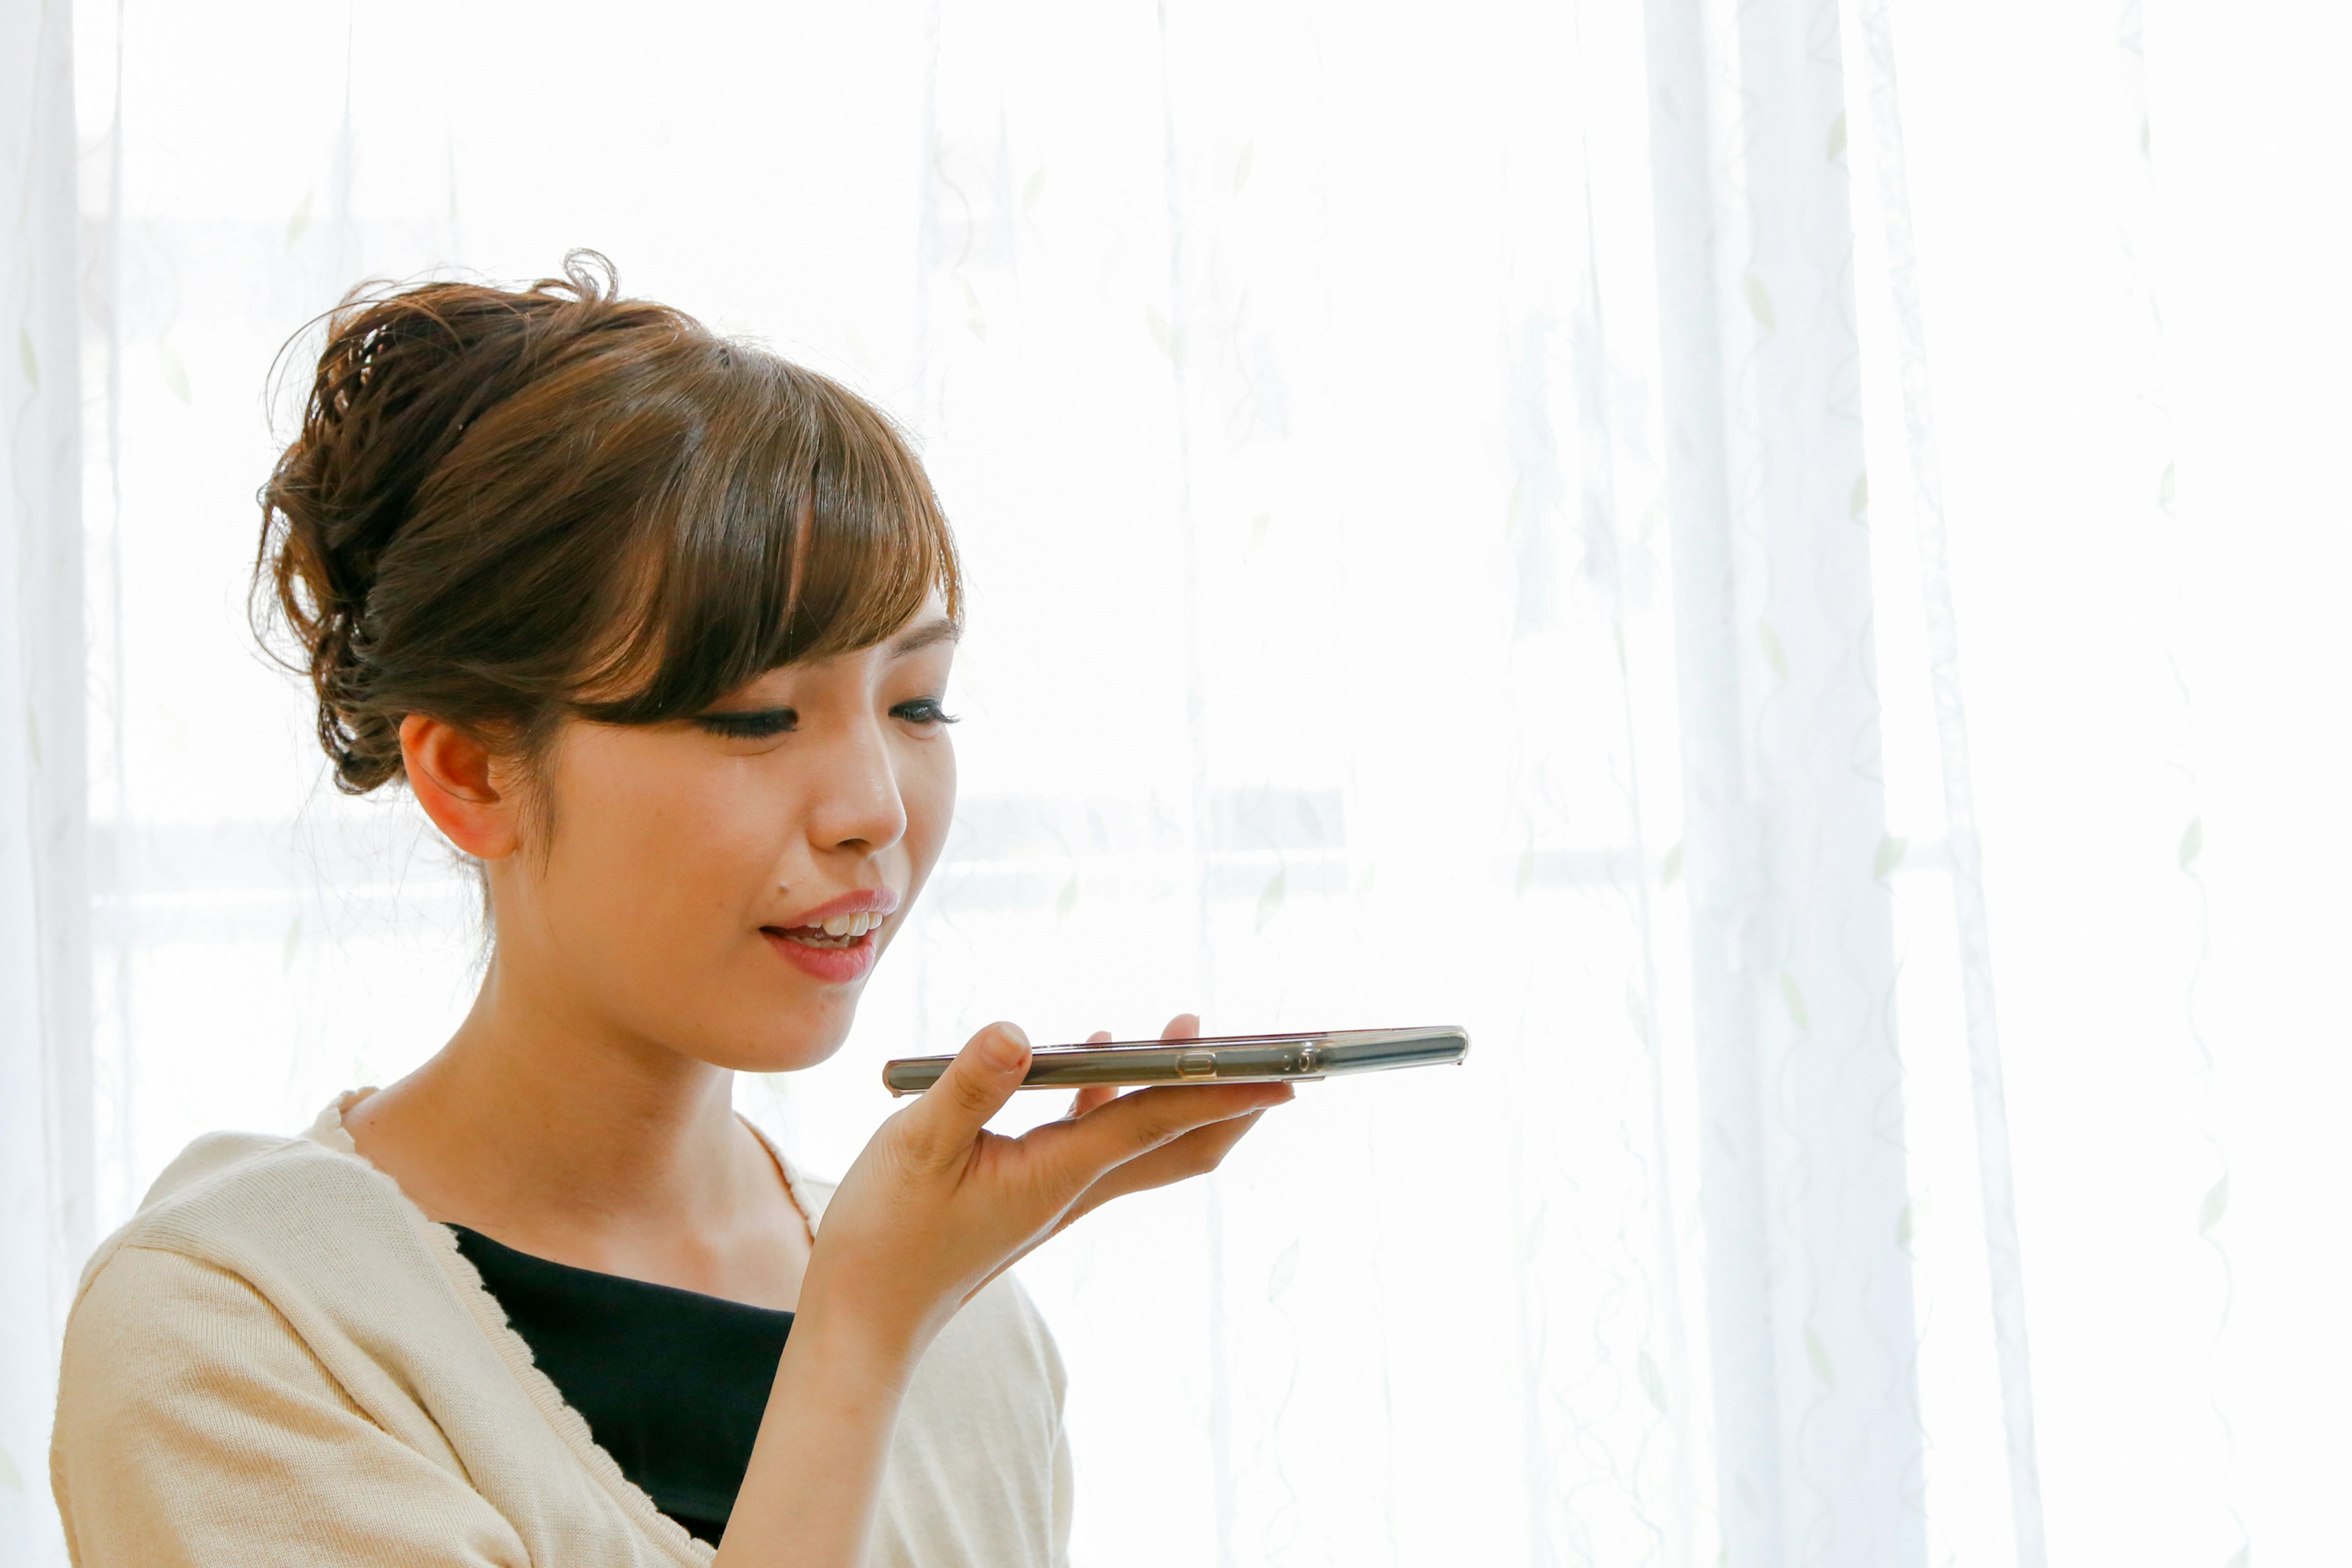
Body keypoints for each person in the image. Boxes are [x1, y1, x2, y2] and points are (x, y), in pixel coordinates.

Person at [48, 254, 1291, 1567]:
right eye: (756, 714)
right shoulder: (240, 1325)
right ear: (472, 772)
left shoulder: (975, 1333)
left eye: (916, 703)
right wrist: (862, 1327)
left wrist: (900, 1303)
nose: (875, 804)